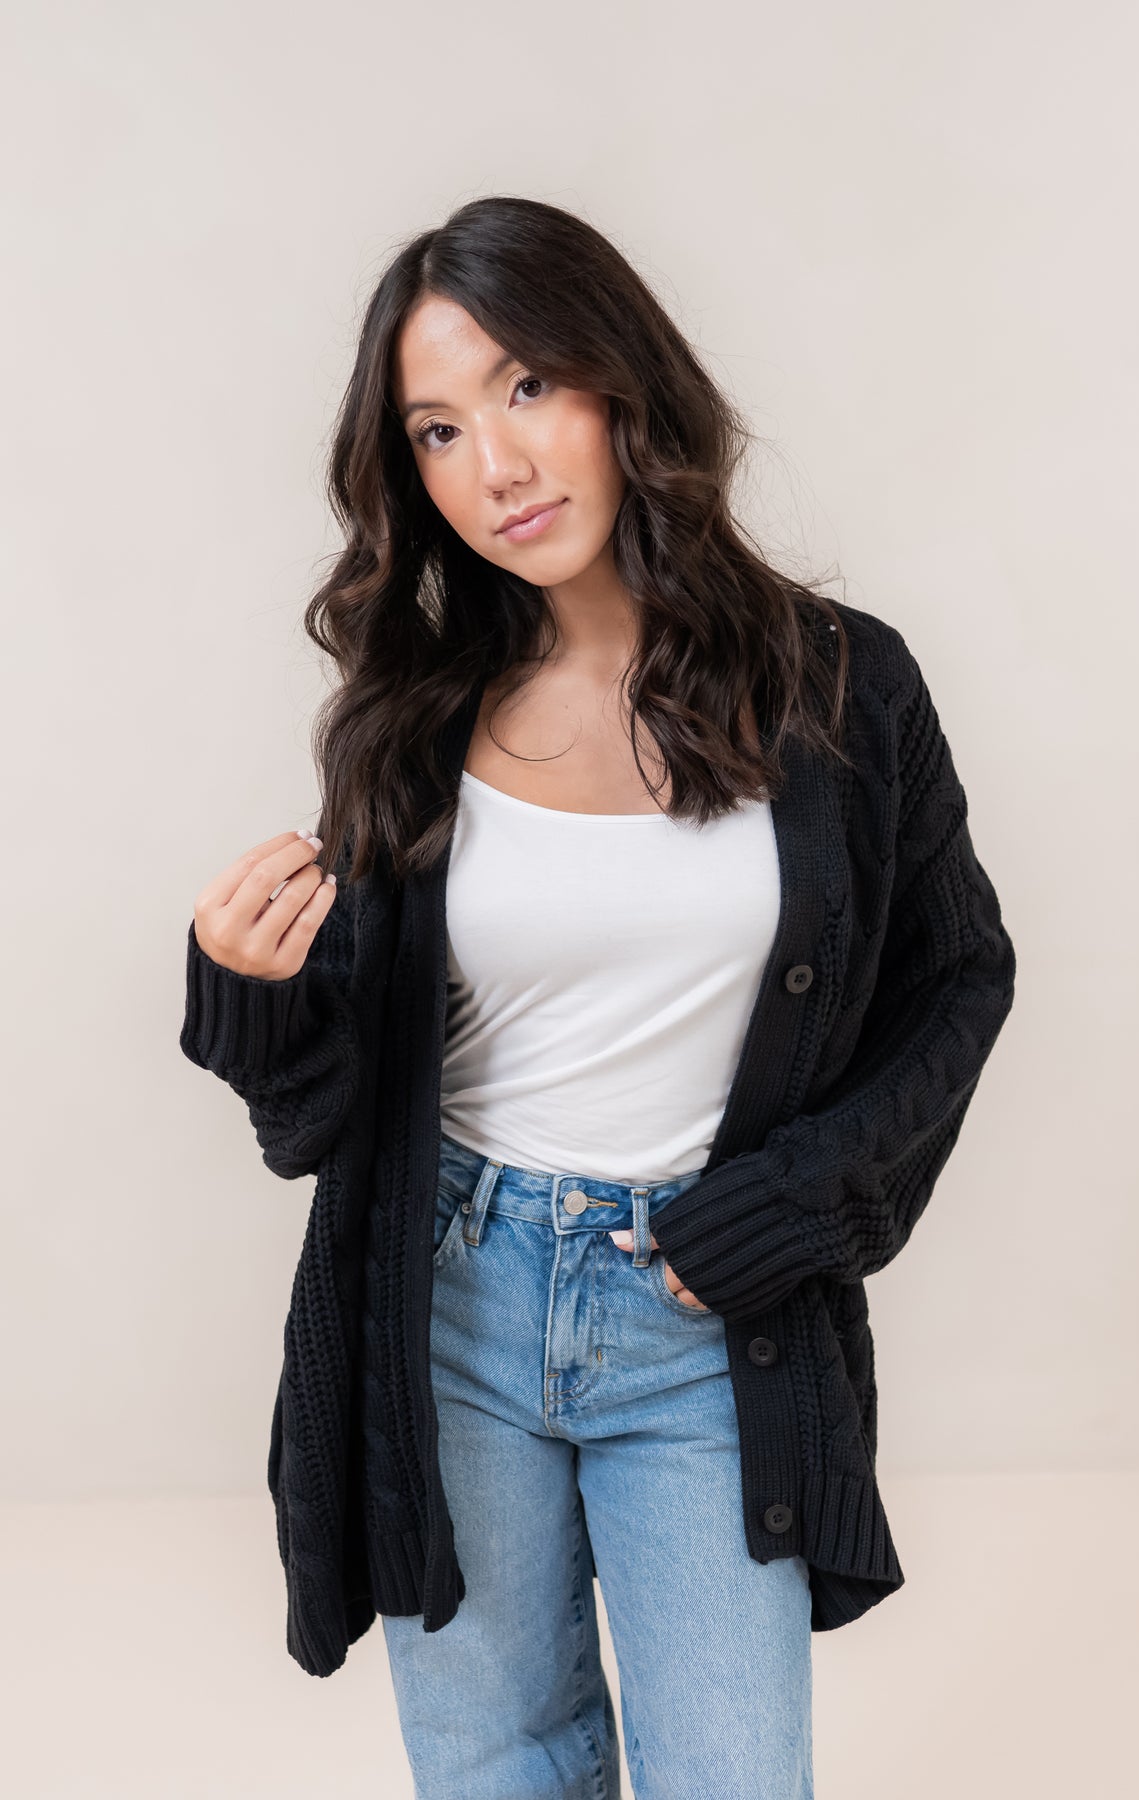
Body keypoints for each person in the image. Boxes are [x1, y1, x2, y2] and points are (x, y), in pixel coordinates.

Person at [180, 194, 1016, 1799]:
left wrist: (785, 1211)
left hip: (700, 1314)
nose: (493, 464)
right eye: (435, 428)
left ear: (622, 382)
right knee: (499, 1765)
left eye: (523, 388)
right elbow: (324, 1115)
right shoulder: (410, 721)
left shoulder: (843, 691)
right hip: (451, 1304)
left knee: (729, 1773)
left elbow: (956, 982)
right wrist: (249, 991)